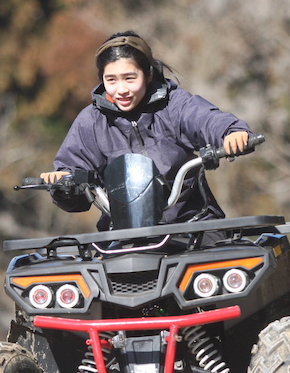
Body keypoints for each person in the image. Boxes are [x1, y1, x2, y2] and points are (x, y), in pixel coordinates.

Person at [41, 31, 251, 230]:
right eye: (111, 80)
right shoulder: (91, 120)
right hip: (125, 233)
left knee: (230, 255)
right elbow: (73, 175)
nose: (121, 90)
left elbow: (207, 120)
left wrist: (231, 132)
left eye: (130, 78)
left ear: (149, 75)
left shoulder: (174, 104)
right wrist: (64, 185)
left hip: (192, 223)